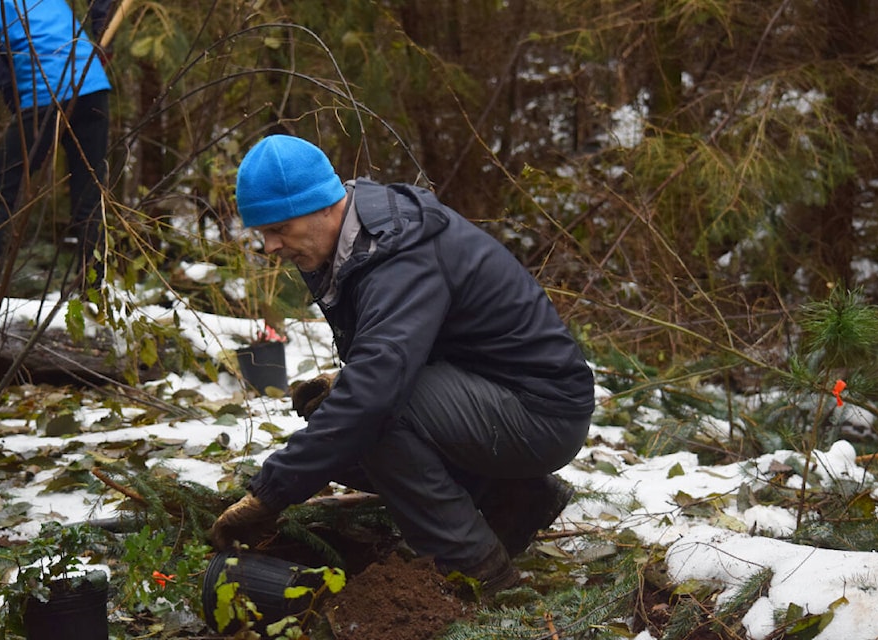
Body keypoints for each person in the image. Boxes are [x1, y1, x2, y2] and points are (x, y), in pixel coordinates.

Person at [210, 134, 595, 594]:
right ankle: (515, 499)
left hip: (541, 412)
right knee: (338, 411)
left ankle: (483, 577)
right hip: (496, 395)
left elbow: (376, 393)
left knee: (372, 416)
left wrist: (270, 493)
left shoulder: (397, 251)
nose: (270, 247)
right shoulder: (356, 241)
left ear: (320, 206)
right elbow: (400, 350)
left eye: (279, 229)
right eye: (263, 234)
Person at [0, 0, 113, 296]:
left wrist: (15, 99)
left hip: (44, 94)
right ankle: (94, 291)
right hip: (92, 84)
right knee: (90, 191)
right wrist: (104, 40)